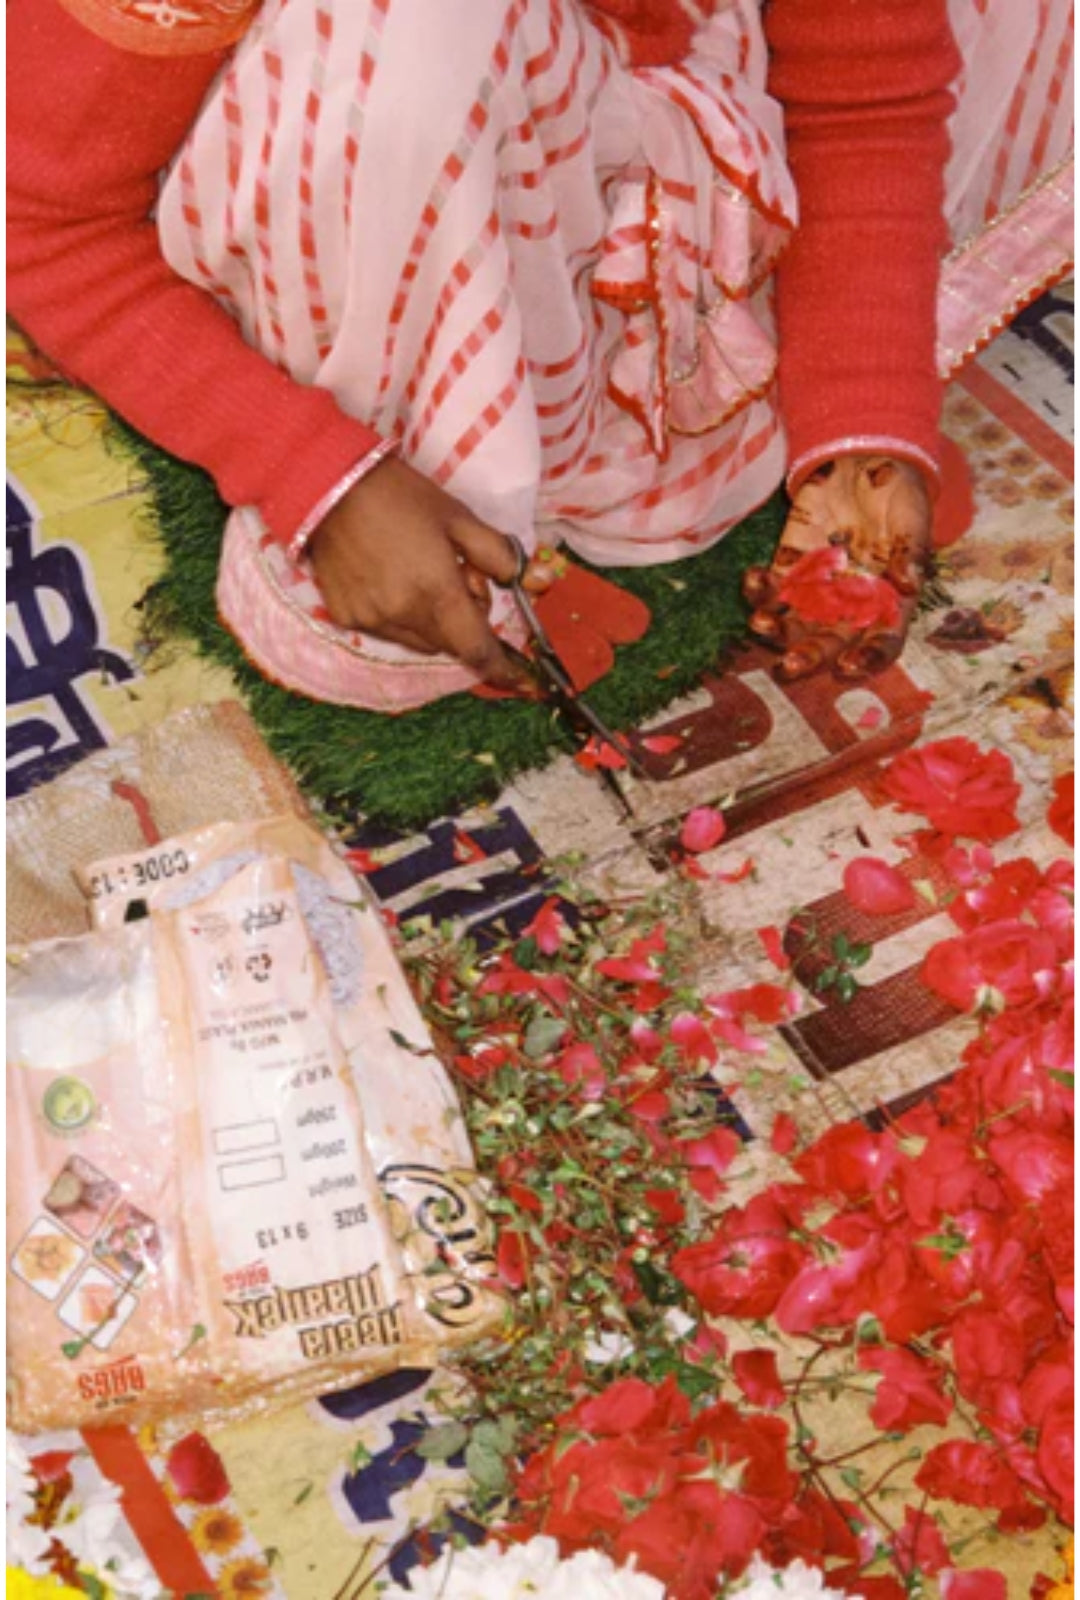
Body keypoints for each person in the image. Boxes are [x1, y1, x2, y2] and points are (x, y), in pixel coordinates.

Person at [8, 0, 1073, 714]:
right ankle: (432, 455)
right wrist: (317, 478)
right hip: (348, 133)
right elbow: (37, 221)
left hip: (628, 82)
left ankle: (576, 391)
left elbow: (867, 95)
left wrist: (863, 414)